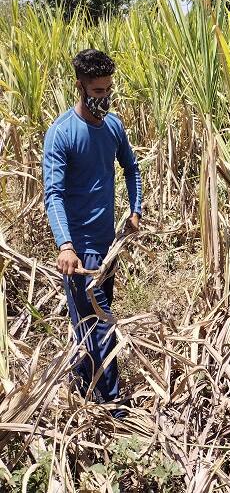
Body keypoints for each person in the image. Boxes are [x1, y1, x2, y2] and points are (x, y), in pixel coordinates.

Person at [43, 49, 143, 417]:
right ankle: (113, 405)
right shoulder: (61, 134)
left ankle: (84, 384)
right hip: (80, 252)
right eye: (97, 91)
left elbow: (131, 168)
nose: (104, 97)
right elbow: (52, 194)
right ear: (79, 87)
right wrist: (65, 245)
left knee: (90, 321)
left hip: (108, 245)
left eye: (108, 90)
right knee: (99, 325)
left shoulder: (113, 127)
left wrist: (136, 209)